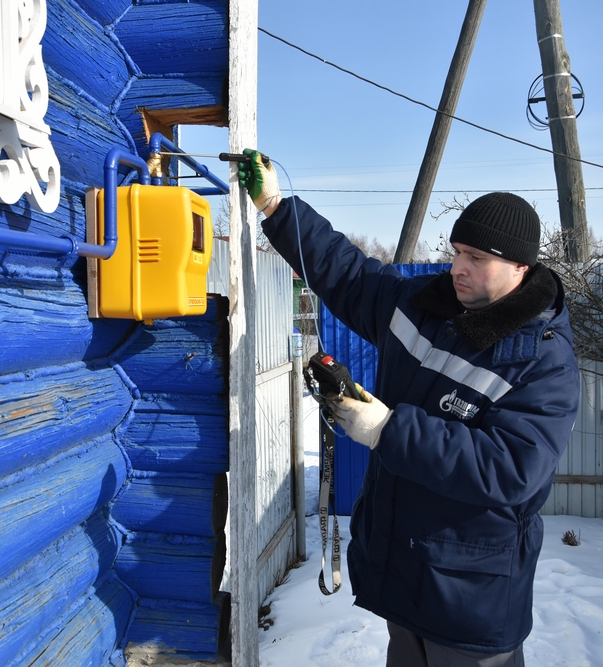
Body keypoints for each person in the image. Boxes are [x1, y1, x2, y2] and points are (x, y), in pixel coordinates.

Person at [238, 150, 580, 667]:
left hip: (470, 599)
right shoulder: (426, 305)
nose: (458, 268)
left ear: (520, 267)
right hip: (404, 572)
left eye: (477, 259)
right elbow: (348, 273)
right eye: (457, 251)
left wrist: (389, 430)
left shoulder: (543, 360)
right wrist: (275, 206)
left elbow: (513, 468)